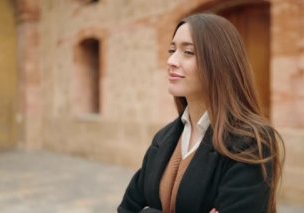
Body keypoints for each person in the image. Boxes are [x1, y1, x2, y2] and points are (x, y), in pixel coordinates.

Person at [118, 13, 284, 213]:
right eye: (172, 50)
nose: (172, 60)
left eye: (188, 52)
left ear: (219, 61)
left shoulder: (251, 142)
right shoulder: (163, 139)